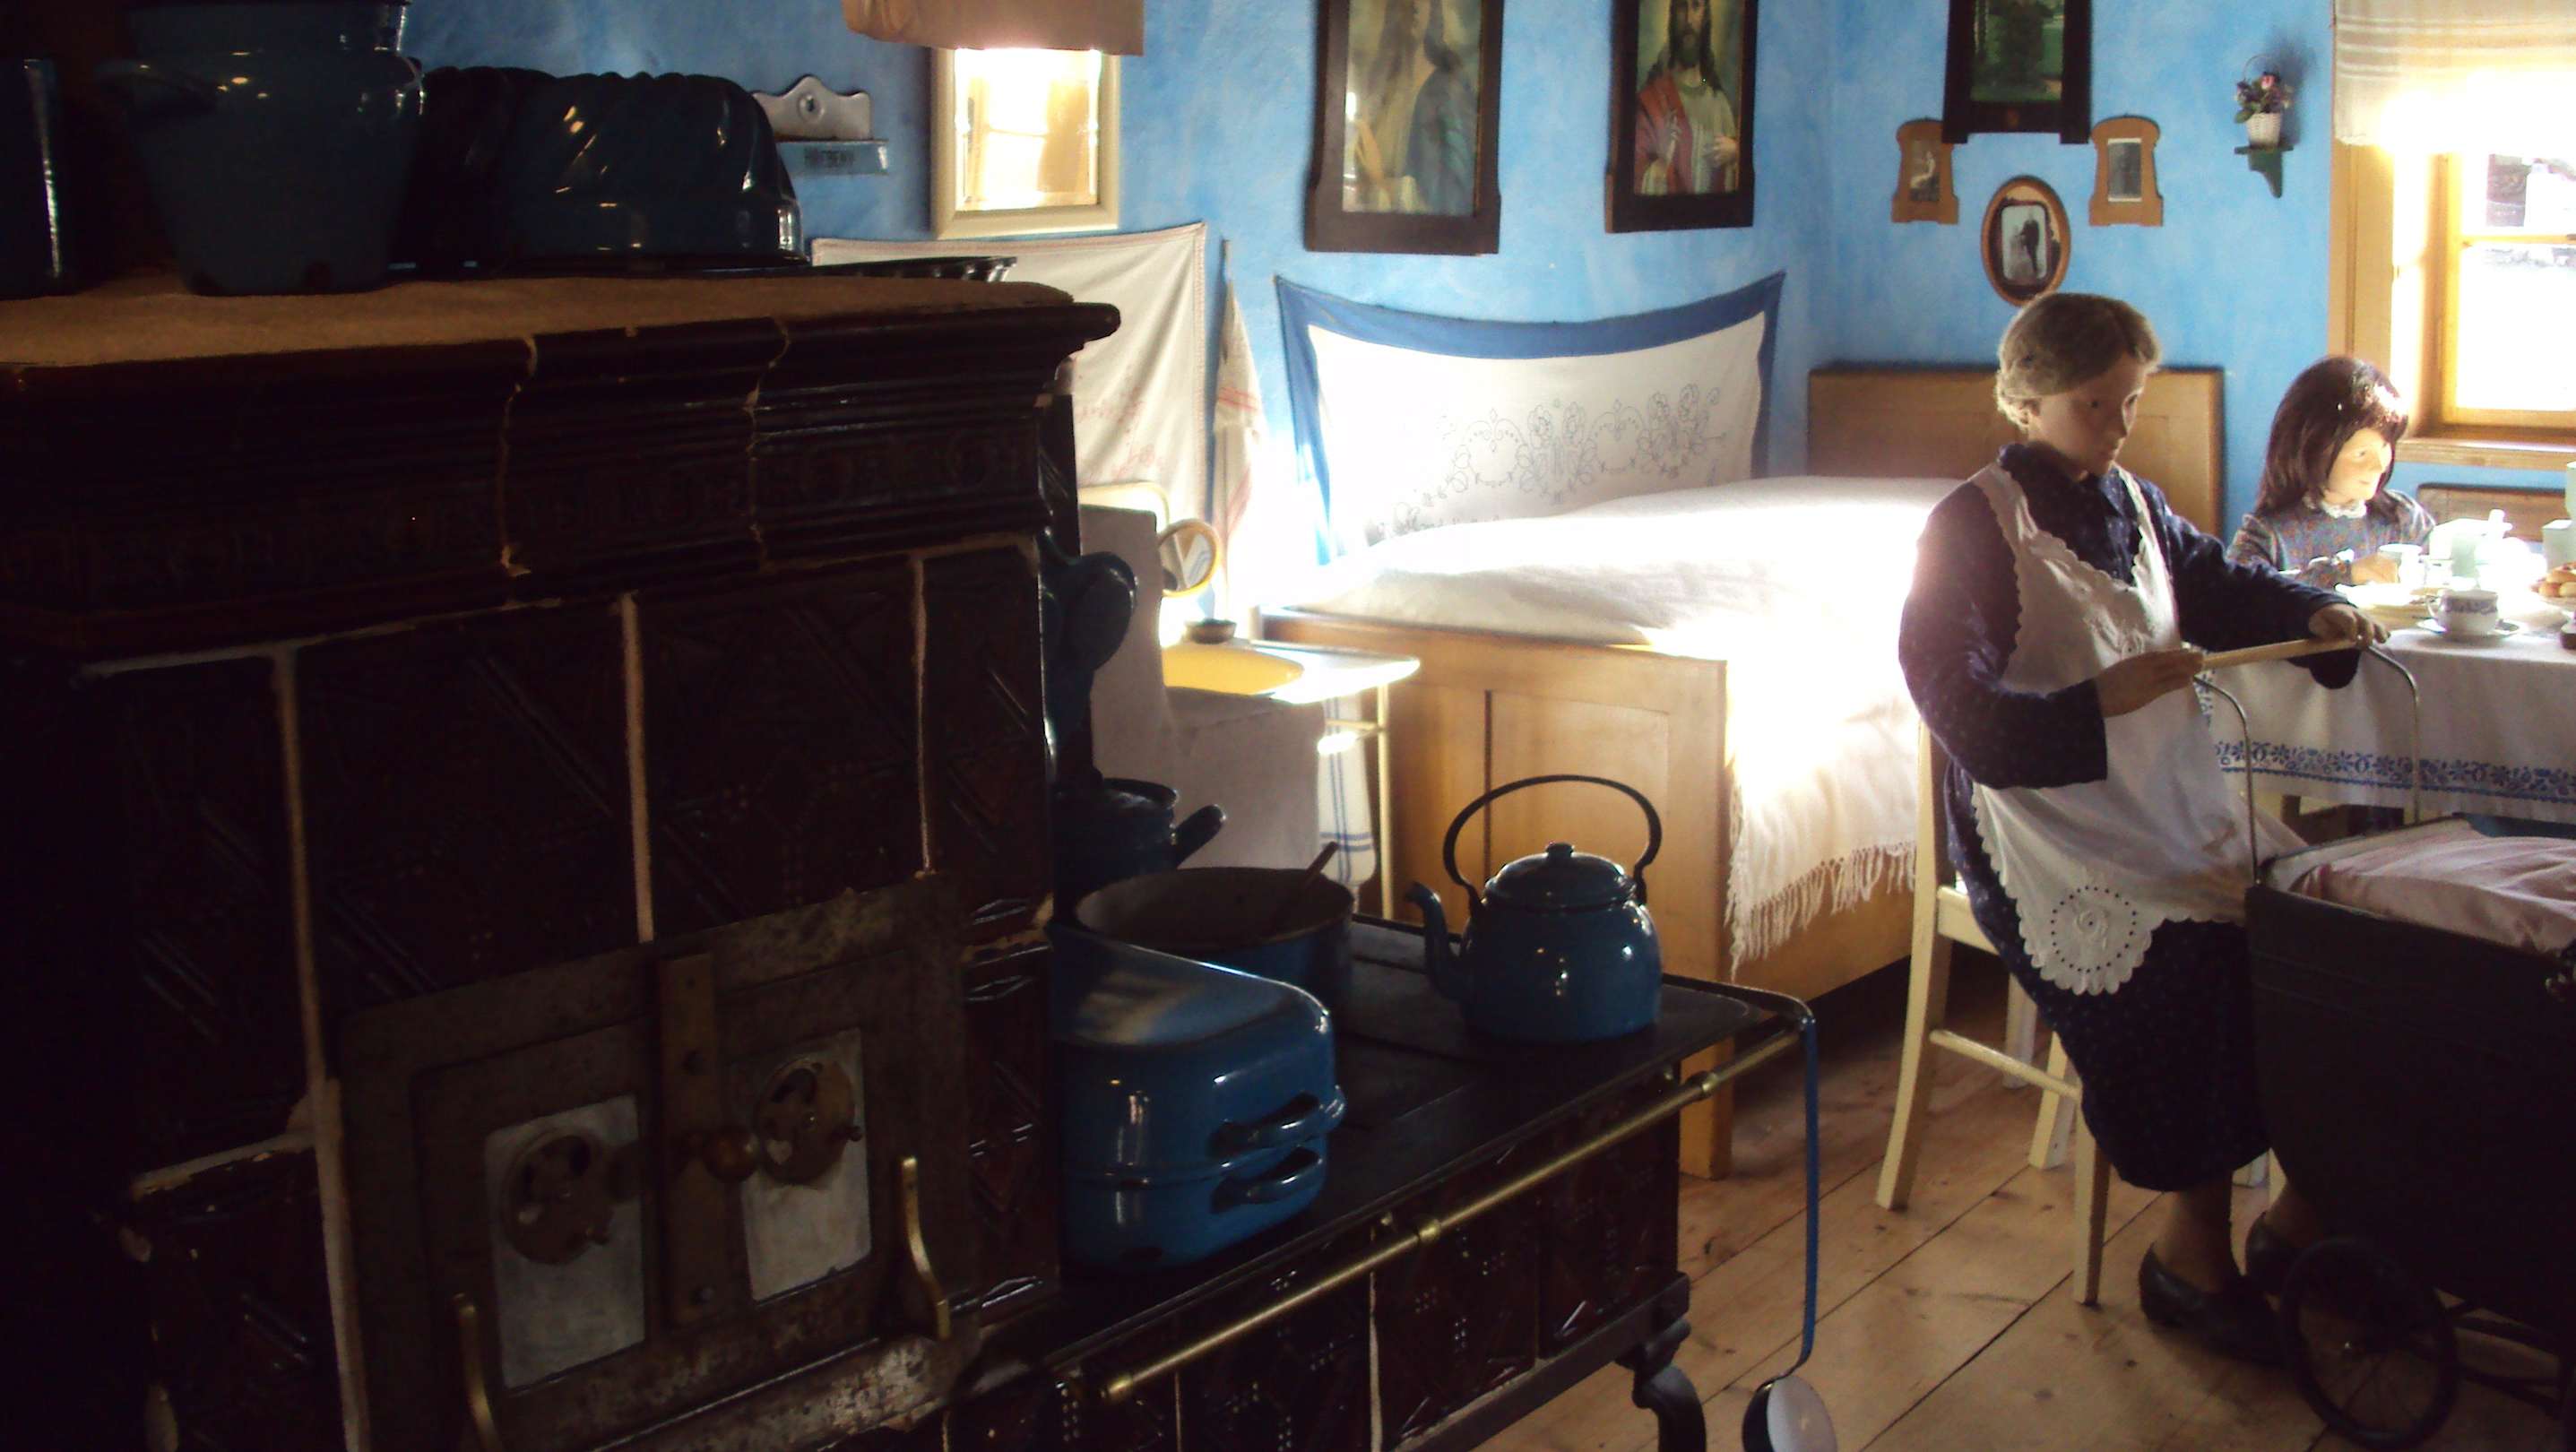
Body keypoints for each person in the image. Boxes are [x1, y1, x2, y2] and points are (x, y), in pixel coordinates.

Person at [1900, 293, 2387, 1365]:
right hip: (2042, 824)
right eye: (2096, 405)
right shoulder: (1971, 526)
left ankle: (2302, 1222)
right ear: (2028, 397)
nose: (2119, 427)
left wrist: (2306, 614)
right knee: (2201, 960)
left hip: (2163, 797)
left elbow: (2215, 584)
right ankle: (2187, 1258)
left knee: (2327, 937)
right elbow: (1955, 707)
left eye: (2130, 403)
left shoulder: (2131, 501)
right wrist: (2098, 704)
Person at [2226, 358, 2433, 588]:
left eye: (2385, 447)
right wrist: (2343, 574)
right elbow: (2236, 592)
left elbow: (2440, 575)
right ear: (2312, 452)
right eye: (2361, 454)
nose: (2378, 466)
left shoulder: (2402, 517)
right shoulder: (2270, 534)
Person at [1349, 0, 1475, 215]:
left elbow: (1455, 198)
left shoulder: (1448, 88)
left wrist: (1381, 180)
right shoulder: (1387, 89)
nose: (1412, 4)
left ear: (1434, 8)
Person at [1634, 0, 1740, 195]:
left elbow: (1736, 188)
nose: (1689, 19)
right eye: (1682, 7)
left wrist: (1735, 152)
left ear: (1706, 18)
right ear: (1672, 16)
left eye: (1696, 6)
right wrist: (1662, 158)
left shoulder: (1720, 104)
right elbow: (1633, 183)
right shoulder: (1651, 102)